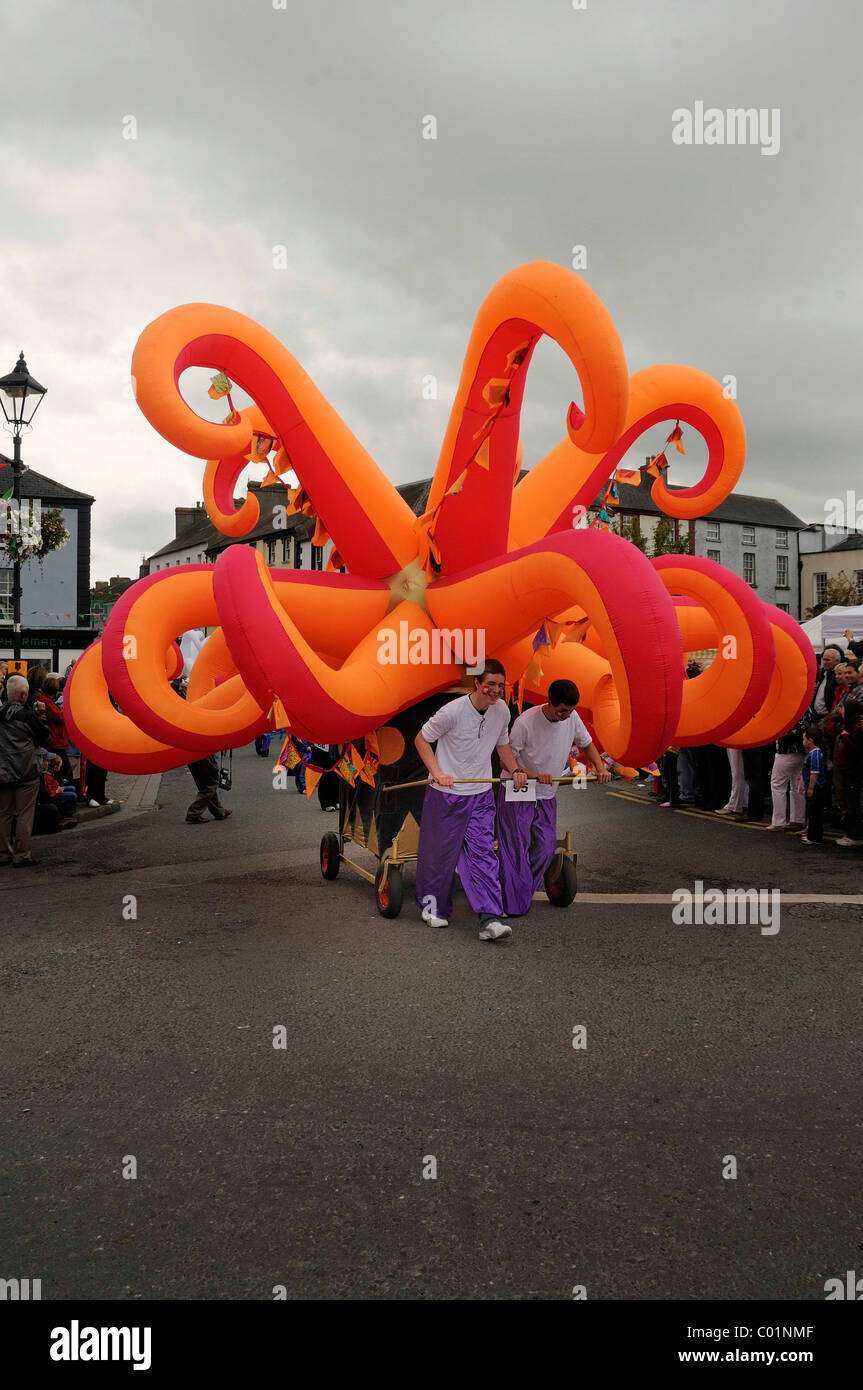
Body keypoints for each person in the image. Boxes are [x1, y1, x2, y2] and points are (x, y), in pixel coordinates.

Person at [414, 659, 525, 943]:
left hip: (481, 794)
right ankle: (432, 908)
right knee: (439, 856)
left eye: (501, 685)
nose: (496, 690)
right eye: (491, 684)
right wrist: (438, 773)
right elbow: (421, 740)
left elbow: (502, 744)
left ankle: (490, 918)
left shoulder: (501, 710)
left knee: (484, 854)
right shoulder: (451, 711)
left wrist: (514, 770)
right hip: (447, 796)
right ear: (477, 683)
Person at [496, 679, 610, 917]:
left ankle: (518, 890)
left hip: (547, 793)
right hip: (519, 791)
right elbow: (505, 761)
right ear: (549, 702)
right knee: (517, 848)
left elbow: (587, 744)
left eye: (570, 710)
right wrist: (533, 775)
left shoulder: (572, 717)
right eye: (562, 711)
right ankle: (512, 903)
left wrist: (600, 768)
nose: (566, 715)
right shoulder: (525, 722)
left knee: (546, 848)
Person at [0, 674, 50, 866]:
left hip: (3, 772)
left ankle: (3, 853)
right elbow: (44, 738)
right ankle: (21, 854)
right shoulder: (29, 717)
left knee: (3, 814)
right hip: (26, 772)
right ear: (23, 695)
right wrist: (41, 716)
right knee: (24, 814)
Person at [835, 698, 863, 847]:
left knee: (853, 803)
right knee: (850, 801)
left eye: (844, 709)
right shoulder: (852, 724)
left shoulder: (857, 726)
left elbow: (855, 748)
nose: (841, 711)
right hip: (849, 768)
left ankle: (854, 835)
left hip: (854, 769)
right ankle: (851, 832)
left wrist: (845, 735)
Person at [768, 720, 805, 830]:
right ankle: (798, 819)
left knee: (777, 785)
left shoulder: (786, 711)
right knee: (797, 786)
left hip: (785, 751)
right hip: (801, 750)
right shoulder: (804, 709)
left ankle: (778, 821)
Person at [186, 754, 233, 824]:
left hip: (190, 751)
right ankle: (193, 813)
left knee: (204, 782)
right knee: (211, 783)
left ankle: (218, 811)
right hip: (203, 752)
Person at [800, 728, 828, 846]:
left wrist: (811, 788)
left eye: (804, 739)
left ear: (810, 740)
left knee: (815, 813)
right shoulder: (813, 753)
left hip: (816, 788)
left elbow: (814, 773)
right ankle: (812, 834)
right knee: (812, 812)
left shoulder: (815, 754)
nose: (803, 741)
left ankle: (814, 837)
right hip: (814, 787)